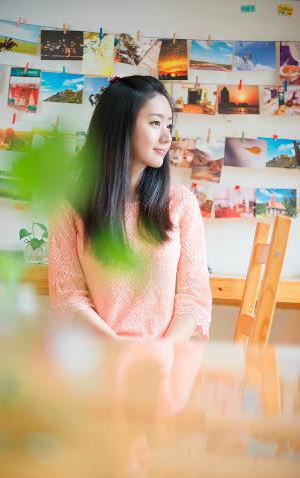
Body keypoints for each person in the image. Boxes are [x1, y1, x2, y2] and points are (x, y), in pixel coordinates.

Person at [48, 75, 212, 342]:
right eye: (156, 123)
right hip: (99, 361)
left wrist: (162, 350)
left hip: (164, 364)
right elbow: (68, 295)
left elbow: (194, 299)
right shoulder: (70, 207)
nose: (167, 137)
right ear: (120, 126)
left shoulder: (181, 204)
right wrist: (116, 347)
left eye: (169, 125)